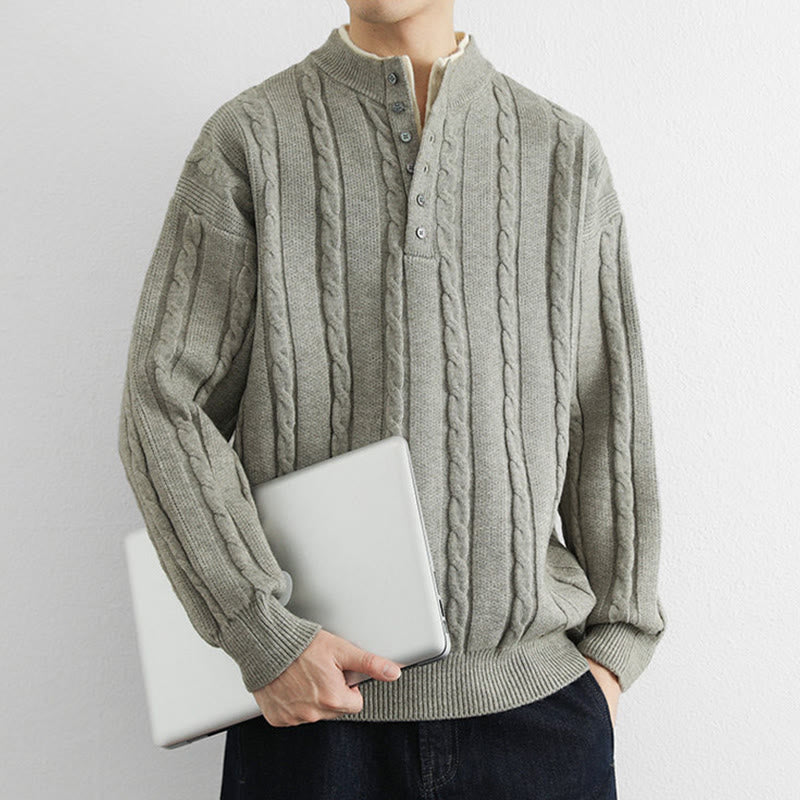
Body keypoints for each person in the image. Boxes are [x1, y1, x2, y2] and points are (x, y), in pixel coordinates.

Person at [117, 1, 668, 797]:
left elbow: (609, 414)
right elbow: (163, 400)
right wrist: (261, 636)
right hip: (311, 720)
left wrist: (614, 652)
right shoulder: (249, 139)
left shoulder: (563, 153)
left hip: (537, 720)